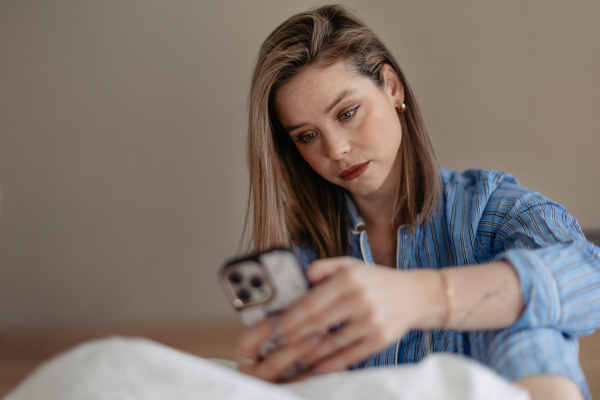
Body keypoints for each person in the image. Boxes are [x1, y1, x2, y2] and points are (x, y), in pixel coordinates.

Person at [235, 5, 600, 400]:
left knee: (521, 317)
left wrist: (424, 297)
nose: (337, 149)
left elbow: (589, 282)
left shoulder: (491, 213)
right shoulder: (305, 267)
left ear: (391, 86)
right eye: (307, 136)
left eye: (348, 113)